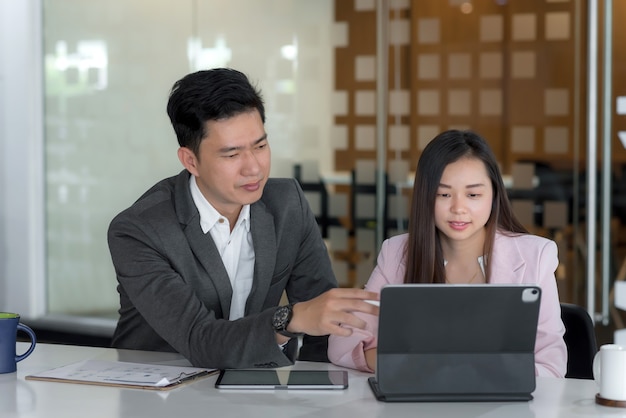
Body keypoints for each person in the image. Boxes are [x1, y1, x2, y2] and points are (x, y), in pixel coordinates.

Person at [107, 68, 378, 370]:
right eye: (232, 154)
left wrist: (324, 387)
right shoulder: (139, 230)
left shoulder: (286, 204)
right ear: (190, 160)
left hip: (258, 389)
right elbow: (199, 339)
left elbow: (325, 323)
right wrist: (289, 318)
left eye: (260, 146)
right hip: (161, 391)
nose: (254, 168)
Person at [327, 129, 567, 378]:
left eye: (473, 195)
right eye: (443, 194)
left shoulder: (536, 256)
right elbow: (342, 344)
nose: (458, 208)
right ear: (425, 196)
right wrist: (414, 366)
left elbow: (551, 366)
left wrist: (458, 372)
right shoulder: (397, 252)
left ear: (494, 195)